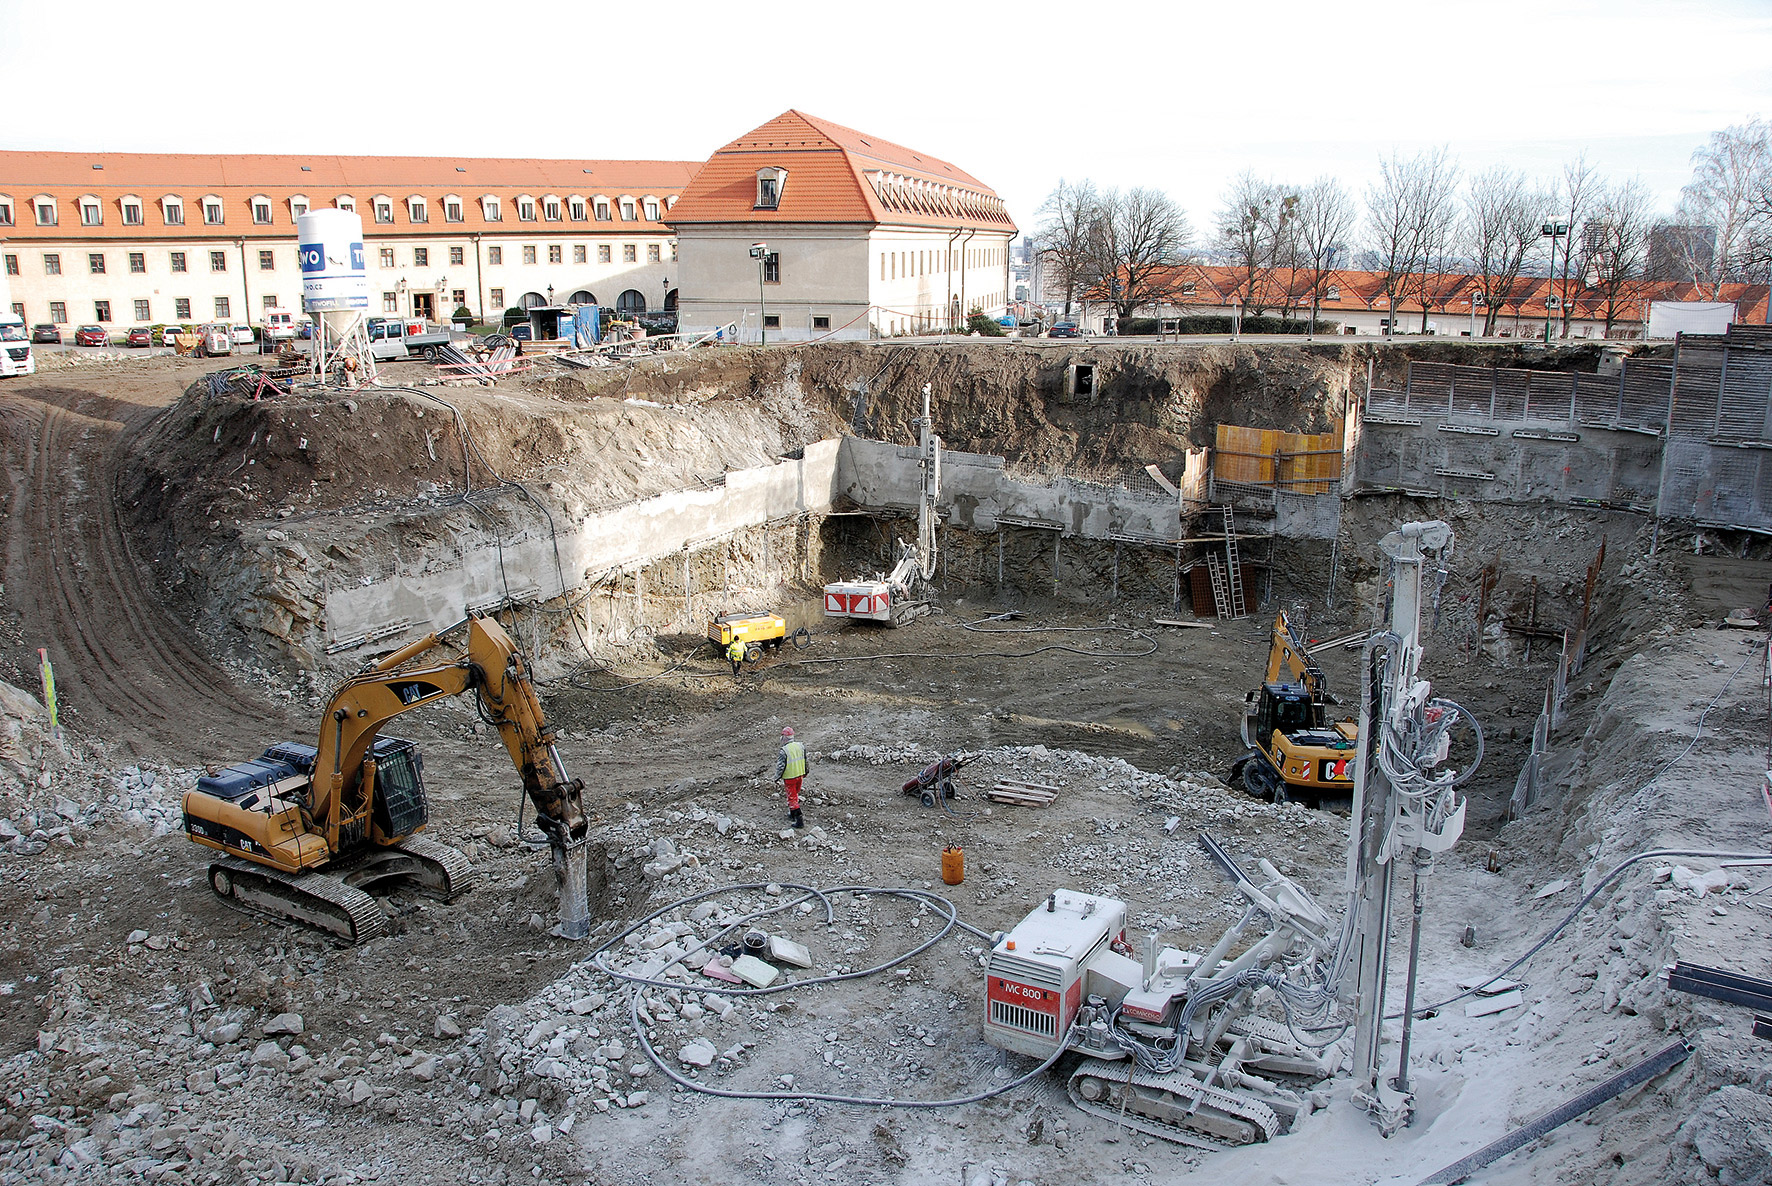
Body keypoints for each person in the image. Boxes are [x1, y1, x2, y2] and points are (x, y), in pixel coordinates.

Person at [775, 726, 806, 828]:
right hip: (800, 775)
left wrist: (776, 777)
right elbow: (805, 760)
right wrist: (806, 771)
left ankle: (799, 819)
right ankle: (792, 814)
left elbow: (780, 766)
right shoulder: (800, 746)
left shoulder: (784, 750)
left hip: (790, 777)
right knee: (795, 794)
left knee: (791, 798)